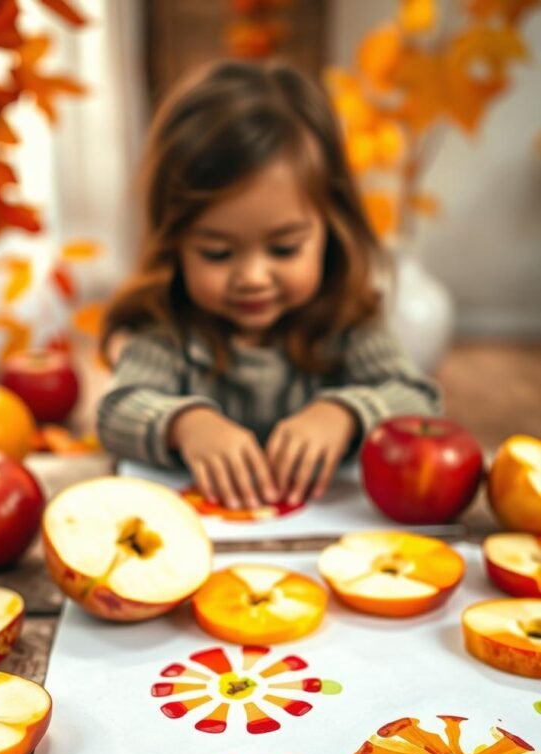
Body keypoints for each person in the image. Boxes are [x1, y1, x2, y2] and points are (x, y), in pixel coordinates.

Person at [97, 59, 441, 510]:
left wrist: (344, 414)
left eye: (284, 249)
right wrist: (186, 423)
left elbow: (419, 400)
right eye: (217, 253)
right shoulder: (167, 328)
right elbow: (116, 411)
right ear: (174, 242)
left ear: (330, 230)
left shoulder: (347, 322)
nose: (253, 278)